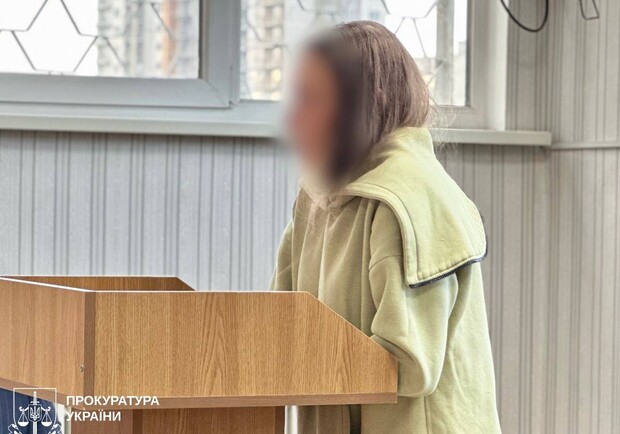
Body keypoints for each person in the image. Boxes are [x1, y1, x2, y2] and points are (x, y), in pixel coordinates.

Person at [270, 21, 502, 434]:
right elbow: (276, 324)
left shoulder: (410, 200)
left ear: (367, 102)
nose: (294, 117)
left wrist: (293, 357)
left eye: (312, 98)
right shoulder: (316, 198)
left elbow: (408, 363)